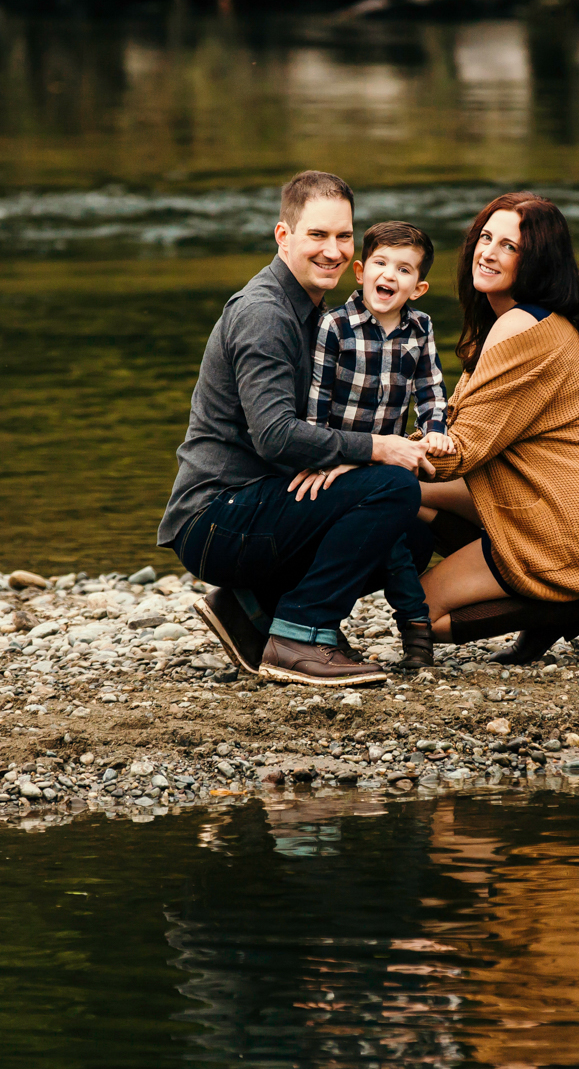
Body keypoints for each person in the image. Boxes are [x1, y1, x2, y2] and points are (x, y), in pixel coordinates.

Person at [156, 171, 434, 688]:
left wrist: (350, 459)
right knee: (394, 486)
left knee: (409, 533)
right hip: (217, 513)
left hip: (257, 501)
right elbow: (276, 436)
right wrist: (377, 449)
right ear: (284, 236)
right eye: (317, 235)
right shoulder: (264, 314)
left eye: (343, 236)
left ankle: (251, 610)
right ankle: (300, 634)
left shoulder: (314, 313)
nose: (332, 251)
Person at [414, 192, 579, 663]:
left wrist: (364, 450)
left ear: (537, 261)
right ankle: (574, 590)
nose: (488, 252)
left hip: (569, 523)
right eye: (485, 237)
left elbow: (460, 451)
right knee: (403, 492)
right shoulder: (538, 320)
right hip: (567, 503)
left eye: (509, 247)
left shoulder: (520, 326)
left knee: (416, 614)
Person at [287, 220, 450, 668]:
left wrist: (435, 428)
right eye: (380, 263)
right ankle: (414, 624)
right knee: (394, 540)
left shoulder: (420, 327)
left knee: (397, 536)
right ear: (360, 272)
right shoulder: (335, 326)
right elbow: (316, 400)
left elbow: (431, 389)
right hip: (345, 455)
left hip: (388, 461)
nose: (389, 275)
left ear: (418, 287)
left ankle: (370, 626)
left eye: (404, 269)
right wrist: (325, 455)